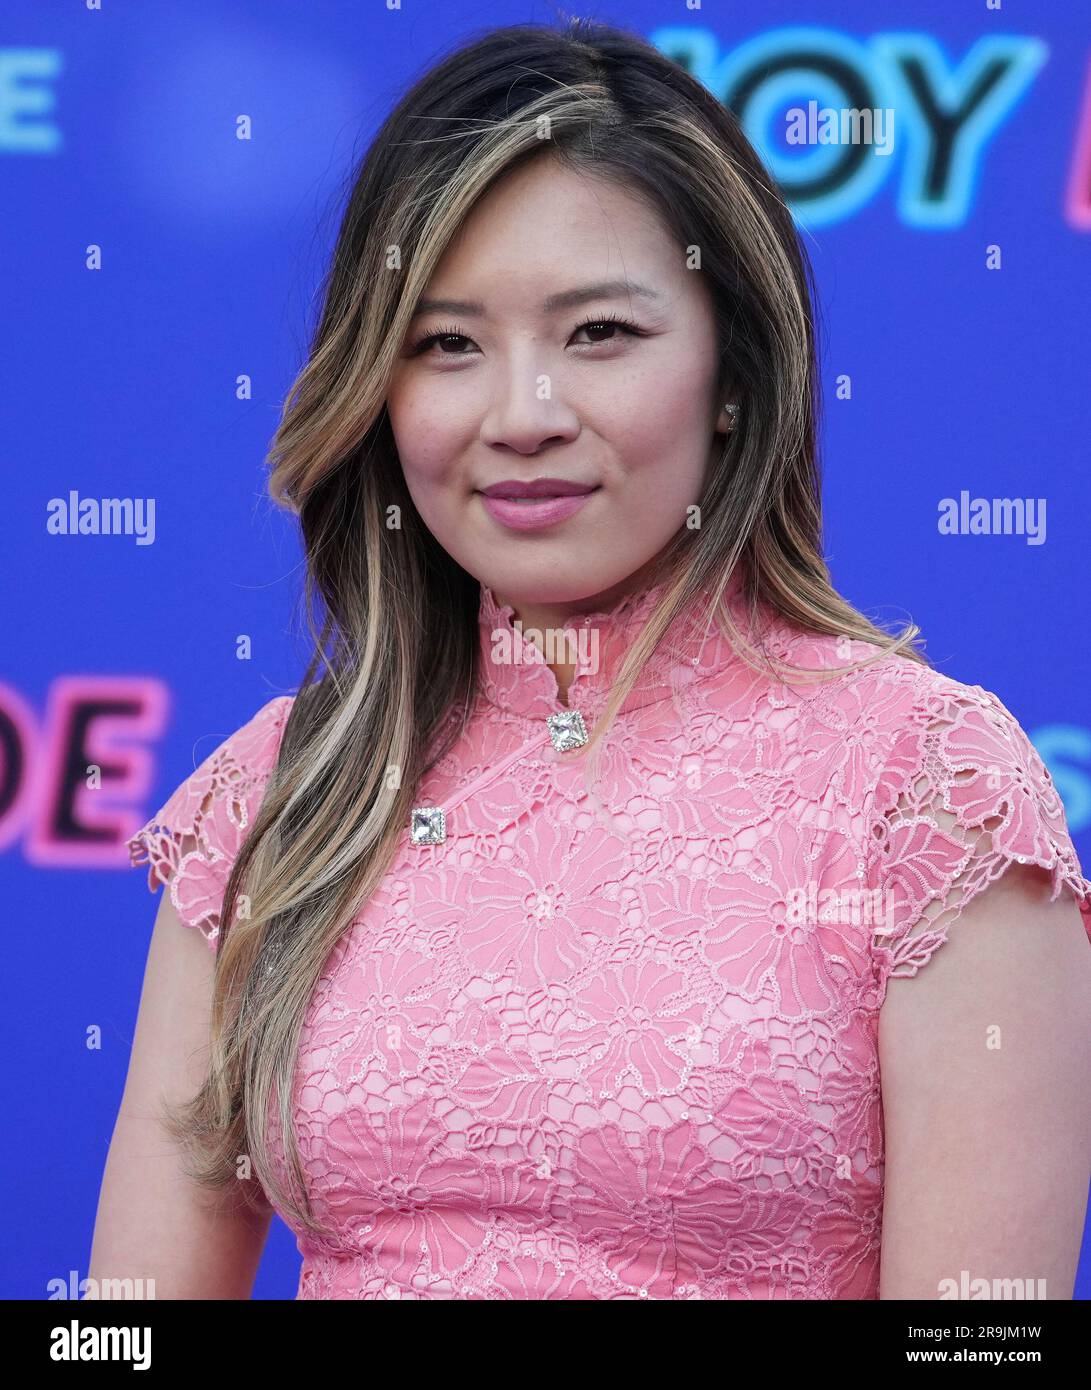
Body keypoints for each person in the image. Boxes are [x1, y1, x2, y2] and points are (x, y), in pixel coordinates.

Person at [89, 18, 1091, 1300]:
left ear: (732, 369)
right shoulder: (280, 791)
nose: (521, 415)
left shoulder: (924, 788)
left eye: (599, 333)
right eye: (445, 344)